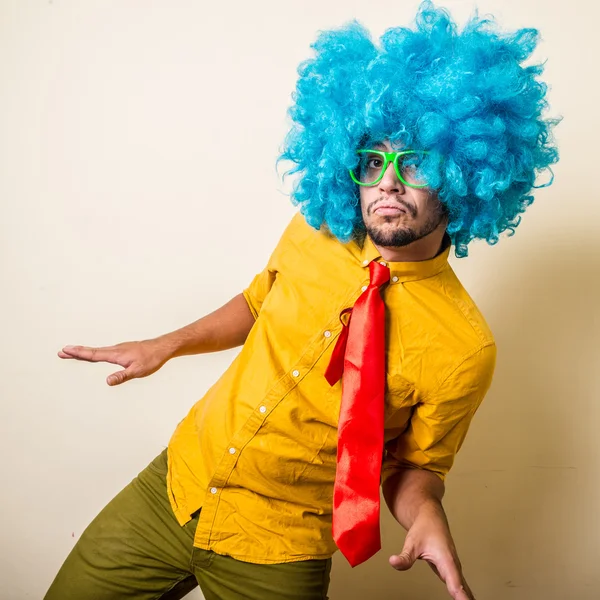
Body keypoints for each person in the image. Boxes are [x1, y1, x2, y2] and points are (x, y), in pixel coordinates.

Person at [45, 2, 559, 599]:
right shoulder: (314, 231)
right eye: (372, 161)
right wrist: (165, 346)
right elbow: (259, 300)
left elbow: (415, 467)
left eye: (414, 162)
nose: (387, 181)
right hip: (176, 483)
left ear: (467, 171)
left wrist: (425, 514)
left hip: (277, 543)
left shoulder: (466, 348)